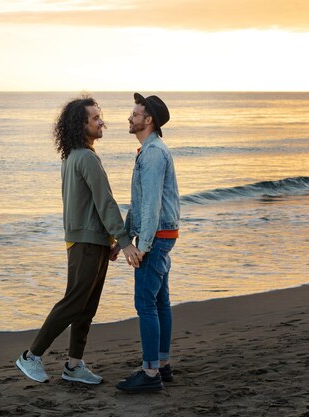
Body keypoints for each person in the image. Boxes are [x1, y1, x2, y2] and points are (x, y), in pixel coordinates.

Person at [15, 96, 142, 385]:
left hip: (90, 241)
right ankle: (31, 356)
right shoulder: (85, 157)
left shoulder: (74, 155)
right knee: (74, 302)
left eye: (100, 116)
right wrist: (124, 241)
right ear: (80, 124)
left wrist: (109, 240)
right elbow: (105, 202)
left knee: (87, 307)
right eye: (95, 118)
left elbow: (94, 204)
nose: (102, 122)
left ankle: (74, 365)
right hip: (86, 242)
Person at [116, 93, 180, 393]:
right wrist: (124, 239)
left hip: (155, 238)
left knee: (145, 304)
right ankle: (162, 365)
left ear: (148, 119)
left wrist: (142, 245)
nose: (130, 118)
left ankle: (150, 372)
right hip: (162, 235)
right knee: (159, 302)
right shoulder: (150, 150)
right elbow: (138, 202)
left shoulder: (153, 153)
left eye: (135, 113)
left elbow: (151, 204)